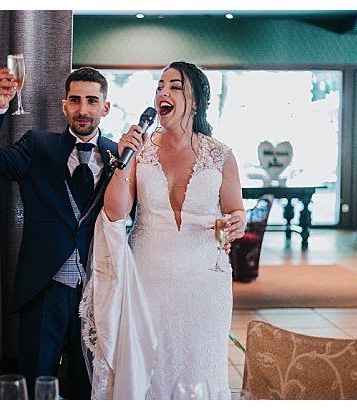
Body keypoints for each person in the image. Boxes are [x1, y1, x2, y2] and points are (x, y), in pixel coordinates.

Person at [86, 61, 245, 400]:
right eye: (160, 86)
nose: (163, 93)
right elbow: (115, 211)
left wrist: (238, 222)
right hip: (147, 278)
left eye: (174, 86)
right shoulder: (139, 151)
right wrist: (126, 157)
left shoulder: (221, 155)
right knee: (149, 366)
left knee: (200, 365)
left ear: (196, 100)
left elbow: (235, 211)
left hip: (205, 282)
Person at [0, 66, 121, 399]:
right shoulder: (37, 145)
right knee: (36, 385)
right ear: (64, 106)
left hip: (97, 289)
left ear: (105, 108)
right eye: (75, 100)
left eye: (92, 101)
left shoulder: (118, 155)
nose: (83, 109)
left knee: (88, 384)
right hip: (44, 287)